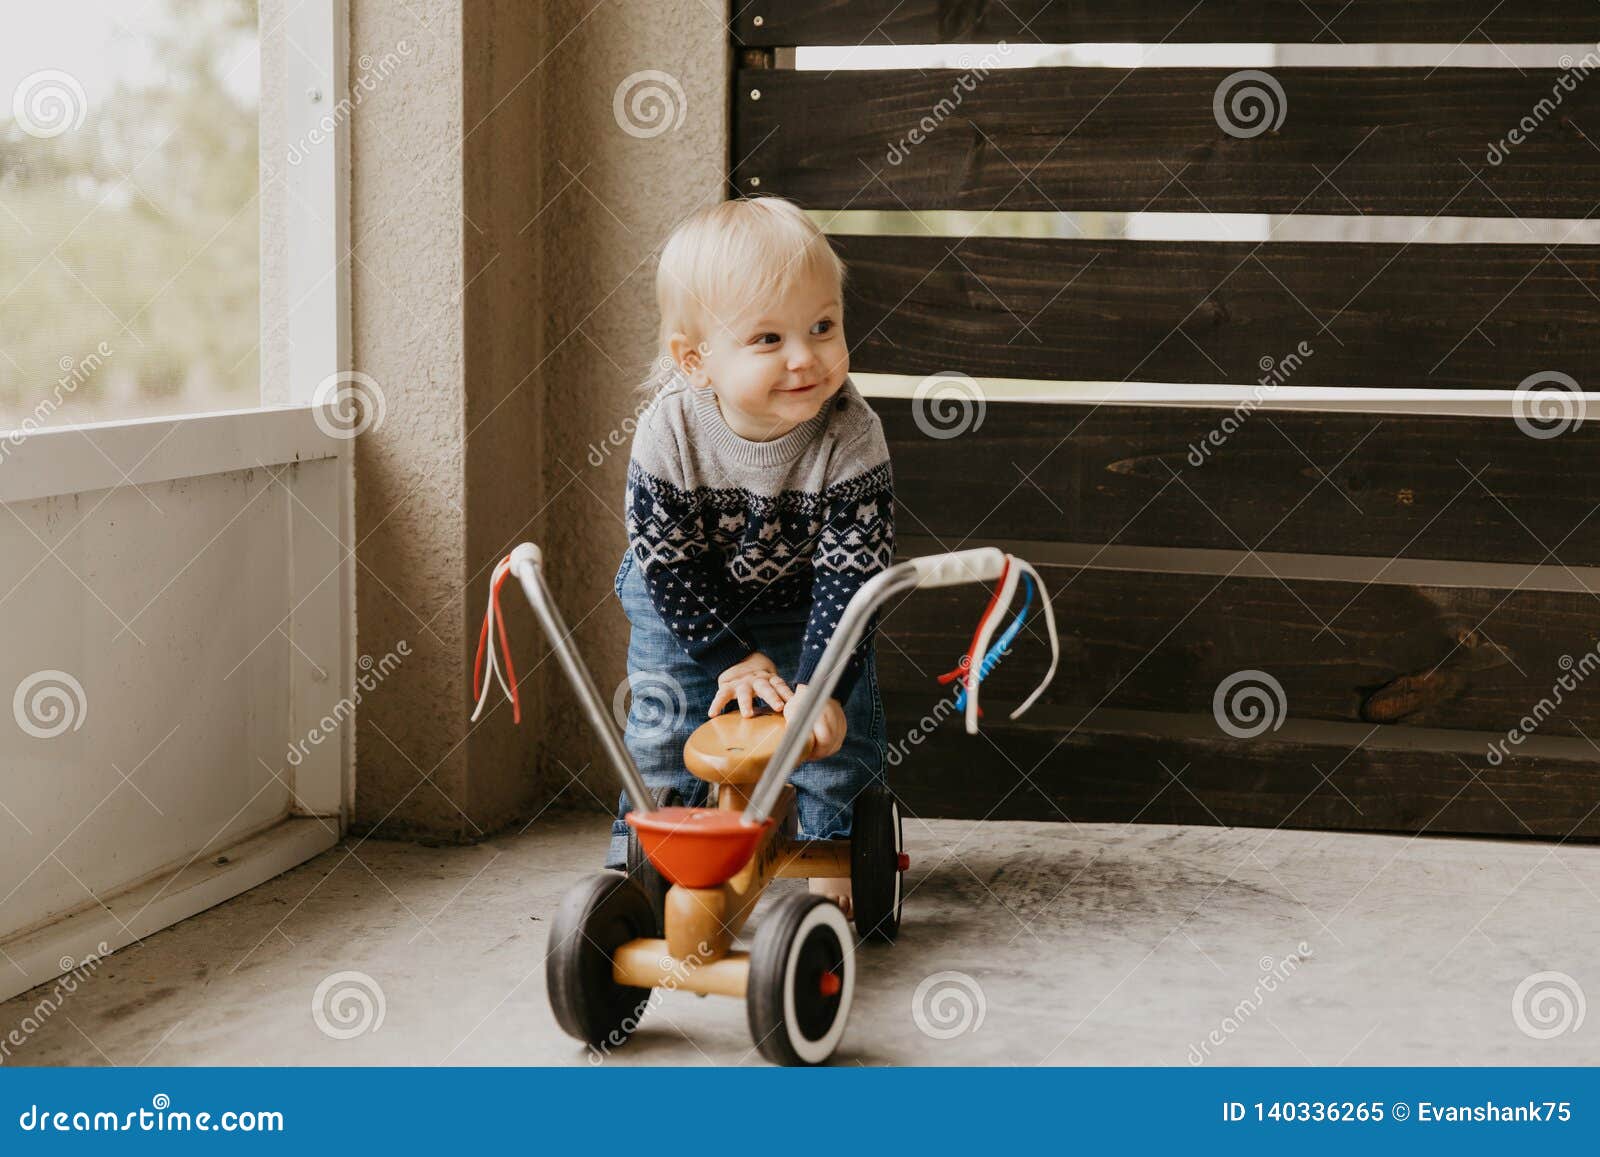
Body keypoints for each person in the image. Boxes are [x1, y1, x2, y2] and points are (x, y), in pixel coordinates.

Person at [603, 196, 893, 917]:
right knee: (666, 724)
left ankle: (838, 852)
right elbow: (667, 562)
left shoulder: (851, 434)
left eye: (823, 326)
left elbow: (852, 577)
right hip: (683, 597)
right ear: (695, 360)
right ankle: (646, 853)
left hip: (810, 600)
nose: (806, 357)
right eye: (768, 338)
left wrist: (820, 687)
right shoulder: (668, 432)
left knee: (837, 729)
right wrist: (728, 654)